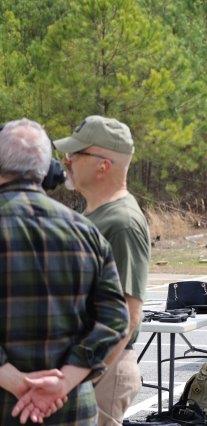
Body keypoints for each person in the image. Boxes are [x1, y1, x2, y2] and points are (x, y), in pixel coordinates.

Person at [0, 119, 129, 424]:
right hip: (71, 409)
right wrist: (64, 382)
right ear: (45, 169)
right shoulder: (86, 231)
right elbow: (115, 319)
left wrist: (16, 382)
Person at [54, 115, 150, 425]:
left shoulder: (122, 223)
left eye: (76, 154)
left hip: (102, 370)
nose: (66, 161)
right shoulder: (96, 213)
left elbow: (128, 314)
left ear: (102, 165)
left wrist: (87, 379)